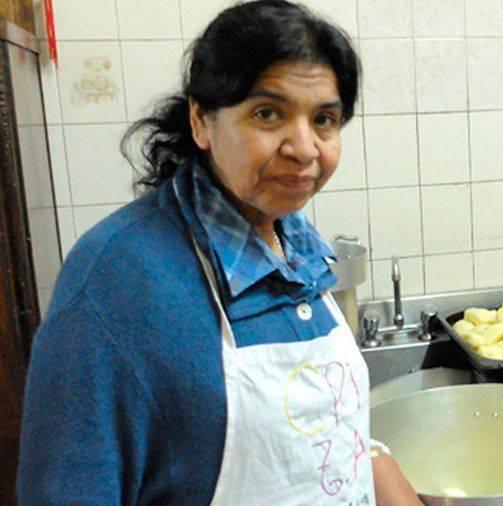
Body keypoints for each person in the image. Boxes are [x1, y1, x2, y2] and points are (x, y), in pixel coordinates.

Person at [17, 1, 421, 504]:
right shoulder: (116, 282)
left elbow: (312, 430)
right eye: (268, 113)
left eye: (324, 120)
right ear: (201, 121)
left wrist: (381, 470)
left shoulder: (297, 250)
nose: (304, 148)